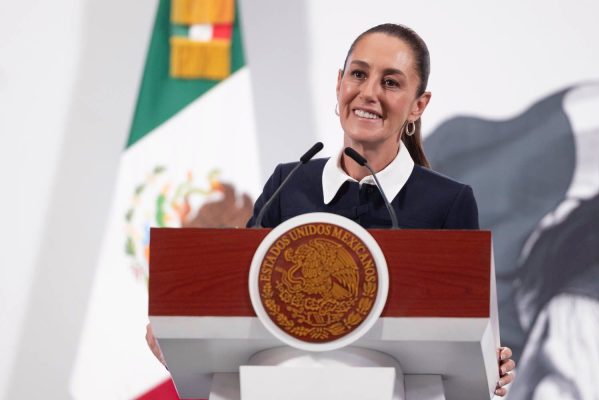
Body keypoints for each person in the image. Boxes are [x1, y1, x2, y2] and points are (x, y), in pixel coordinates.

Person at [147, 23, 515, 396]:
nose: (369, 93)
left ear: (418, 105)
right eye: (359, 74)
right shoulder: (288, 185)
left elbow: (466, 322)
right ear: (339, 83)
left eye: (390, 82)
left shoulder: (447, 203)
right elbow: (239, 293)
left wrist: (489, 358)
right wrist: (179, 326)